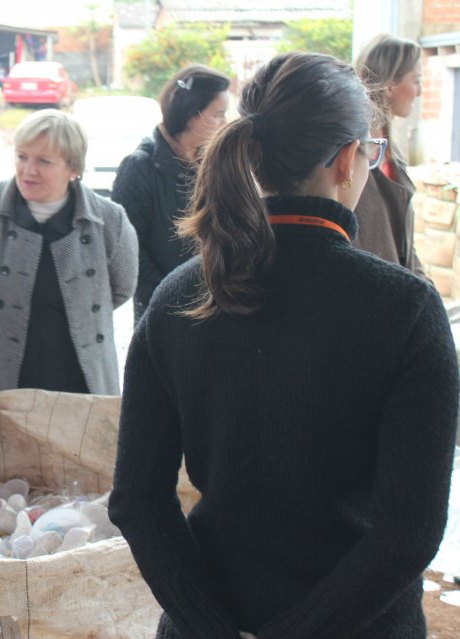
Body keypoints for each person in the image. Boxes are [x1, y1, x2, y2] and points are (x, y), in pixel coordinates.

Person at [109, 52, 458, 639]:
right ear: (349, 159)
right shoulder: (406, 311)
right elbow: (409, 533)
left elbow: (138, 500)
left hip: (211, 619)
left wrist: (214, 628)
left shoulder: (181, 295)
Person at [0, 109, 138, 421]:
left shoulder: (109, 219)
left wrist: (80, 313)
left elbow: (122, 287)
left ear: (73, 168)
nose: (28, 170)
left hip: (79, 376)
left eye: (43, 161)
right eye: (21, 157)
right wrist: (0, 316)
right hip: (3, 374)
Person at [112, 65, 231, 321]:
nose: (225, 123)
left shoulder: (214, 164)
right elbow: (129, 250)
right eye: (218, 115)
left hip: (214, 309)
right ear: (191, 116)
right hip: (164, 314)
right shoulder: (140, 166)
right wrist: (171, 299)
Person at [353, 34, 426, 276]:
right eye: (416, 81)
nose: (421, 91)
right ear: (390, 85)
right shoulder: (352, 159)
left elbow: (403, 245)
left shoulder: (392, 154)